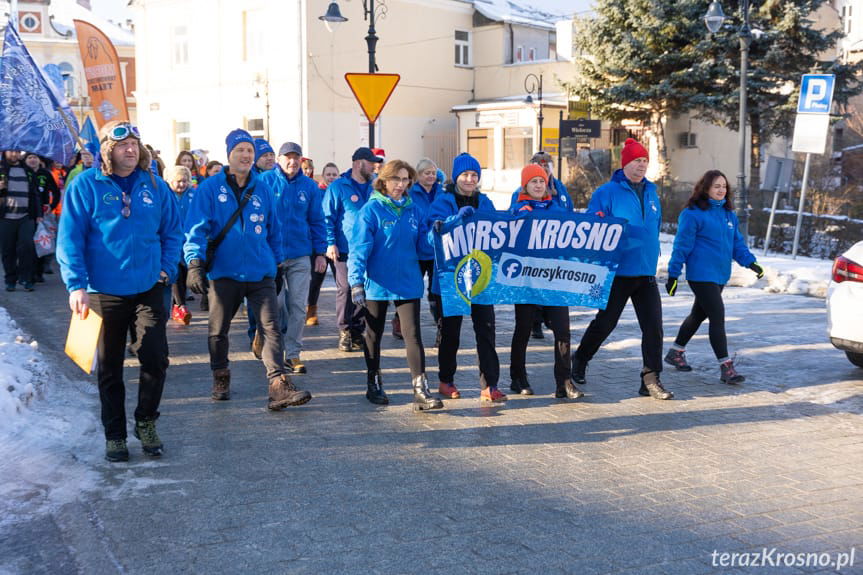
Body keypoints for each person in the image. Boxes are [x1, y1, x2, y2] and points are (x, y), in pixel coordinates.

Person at [56, 120, 183, 461]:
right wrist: (76, 286)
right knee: (110, 367)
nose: (131, 149)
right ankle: (115, 435)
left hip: (149, 287)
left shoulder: (154, 184)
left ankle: (146, 421)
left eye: (135, 144)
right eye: (123, 144)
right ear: (107, 149)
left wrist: (166, 269)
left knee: (155, 358)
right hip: (102, 292)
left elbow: (173, 231)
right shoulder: (86, 185)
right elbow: (70, 239)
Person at [184, 129, 311, 409]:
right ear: (229, 153)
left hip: (260, 271)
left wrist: (277, 264)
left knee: (271, 327)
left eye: (249, 151)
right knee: (218, 330)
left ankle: (278, 384)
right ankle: (220, 374)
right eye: (240, 150)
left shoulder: (263, 187)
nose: (245, 155)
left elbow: (273, 230)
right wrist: (194, 262)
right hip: (224, 272)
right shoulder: (209, 188)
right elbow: (195, 229)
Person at [570, 138, 672, 400]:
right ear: (625, 163)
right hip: (618, 270)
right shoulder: (607, 192)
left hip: (646, 270)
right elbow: (591, 225)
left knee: (653, 327)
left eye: (645, 161)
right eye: (637, 161)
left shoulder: (651, 191)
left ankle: (650, 378)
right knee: (605, 323)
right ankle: (580, 359)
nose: (641, 166)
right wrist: (600, 221)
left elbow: (655, 225)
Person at [349, 159, 443, 411]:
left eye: (405, 180)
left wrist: (439, 232)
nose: (400, 185)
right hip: (377, 283)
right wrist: (356, 281)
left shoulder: (414, 210)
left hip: (408, 281)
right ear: (384, 181)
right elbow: (359, 248)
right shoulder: (371, 210)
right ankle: (373, 382)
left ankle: (420, 389)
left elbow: (423, 246)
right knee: (373, 334)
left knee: (413, 335)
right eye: (395, 179)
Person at [665, 169, 765, 384]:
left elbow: (737, 244)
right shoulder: (692, 214)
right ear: (706, 188)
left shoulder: (728, 215)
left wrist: (751, 262)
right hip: (700, 275)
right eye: (716, 186)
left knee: (698, 315)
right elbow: (681, 246)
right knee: (717, 316)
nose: (721, 190)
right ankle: (726, 367)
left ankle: (675, 352)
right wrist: (673, 274)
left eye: (724, 186)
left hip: (720, 275)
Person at [427, 153, 505, 402]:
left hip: (482, 278)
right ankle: (446, 380)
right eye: (465, 175)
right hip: (451, 279)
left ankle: (490, 384)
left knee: (486, 330)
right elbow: (431, 236)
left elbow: (502, 231)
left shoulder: (487, 203)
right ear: (456, 176)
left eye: (474, 175)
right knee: (451, 333)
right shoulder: (442, 201)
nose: (470, 179)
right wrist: (452, 222)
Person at [508, 164, 582, 400]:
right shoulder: (518, 209)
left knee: (563, 331)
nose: (539, 186)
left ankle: (564, 381)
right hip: (527, 281)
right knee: (523, 330)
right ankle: (517, 377)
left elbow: (576, 231)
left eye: (542, 181)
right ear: (525, 186)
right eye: (533, 182)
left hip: (555, 280)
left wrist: (596, 223)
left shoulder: (557, 209)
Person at [260, 142, 327, 374]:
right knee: (275, 305)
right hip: (271, 255)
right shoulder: (265, 182)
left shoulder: (309, 186)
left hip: (300, 254)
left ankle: (293, 354)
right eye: (287, 157)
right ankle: (269, 344)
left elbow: (318, 221)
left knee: (298, 305)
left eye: (296, 157)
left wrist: (320, 253)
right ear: (278, 159)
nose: (292, 161)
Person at [323, 147, 382, 352]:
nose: (375, 166)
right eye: (371, 162)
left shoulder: (375, 186)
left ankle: (357, 330)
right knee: (346, 289)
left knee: (363, 290)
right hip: (344, 248)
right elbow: (327, 216)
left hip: (369, 248)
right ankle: (345, 330)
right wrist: (330, 242)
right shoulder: (339, 186)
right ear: (358, 163)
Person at [409, 158, 442, 343]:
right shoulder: (411, 193)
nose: (430, 176)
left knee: (436, 291)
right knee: (413, 287)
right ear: (419, 175)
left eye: (433, 173)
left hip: (437, 250)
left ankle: (441, 328)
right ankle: (402, 321)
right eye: (426, 173)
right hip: (418, 249)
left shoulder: (441, 192)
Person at [0, 150, 42, 292]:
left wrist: (39, 213)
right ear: (5, 153)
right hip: (5, 218)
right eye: (11, 151)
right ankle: (10, 280)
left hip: (26, 217)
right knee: (8, 250)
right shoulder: (1, 170)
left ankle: (26, 279)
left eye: (16, 151)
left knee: (27, 249)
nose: (14, 154)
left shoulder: (27, 171)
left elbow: (35, 194)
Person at [306, 162, 340, 326]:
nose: (331, 177)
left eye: (334, 174)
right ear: (323, 176)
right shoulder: (317, 192)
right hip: (319, 244)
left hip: (337, 245)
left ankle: (344, 313)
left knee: (341, 280)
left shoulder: (341, 192)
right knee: (316, 279)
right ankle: (311, 309)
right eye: (329, 174)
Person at [164, 165, 194, 325]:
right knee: (176, 275)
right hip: (173, 242)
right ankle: (180, 306)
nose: (181, 184)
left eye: (184, 181)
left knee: (185, 275)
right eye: (177, 181)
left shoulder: (193, 195)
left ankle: (179, 305)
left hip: (188, 241)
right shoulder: (167, 195)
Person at [23, 153, 60, 283]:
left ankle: (39, 271)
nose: (32, 160)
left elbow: (56, 192)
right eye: (29, 158)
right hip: (26, 213)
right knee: (27, 244)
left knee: (42, 242)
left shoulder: (45, 173)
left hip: (43, 214)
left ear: (39, 160)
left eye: (35, 158)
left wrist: (52, 205)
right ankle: (27, 273)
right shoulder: (23, 172)